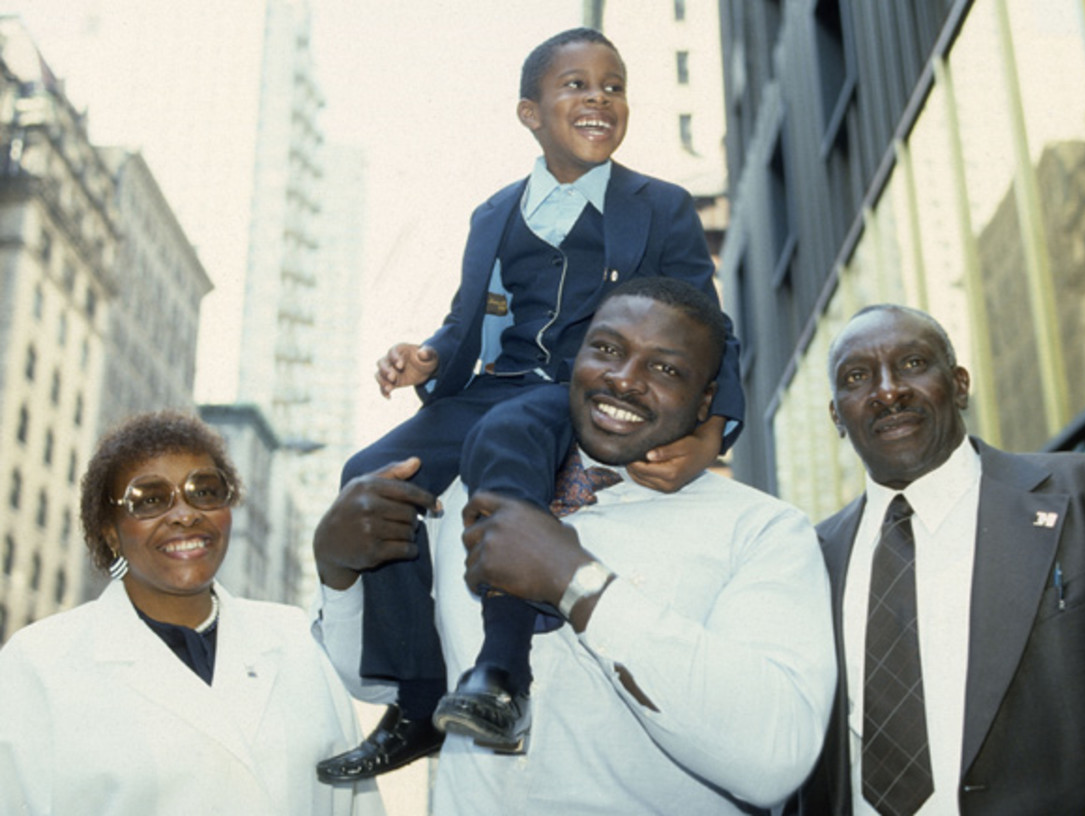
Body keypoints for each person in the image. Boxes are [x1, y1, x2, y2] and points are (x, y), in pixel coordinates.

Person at [317, 27, 745, 782]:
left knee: (508, 437)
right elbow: (464, 323)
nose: (598, 99)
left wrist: (714, 428)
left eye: (612, 86)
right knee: (372, 471)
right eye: (575, 85)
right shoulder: (494, 213)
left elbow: (711, 326)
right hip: (497, 379)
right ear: (530, 114)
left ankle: (503, 673)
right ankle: (416, 699)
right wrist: (426, 356)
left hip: (588, 389)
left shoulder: (662, 206)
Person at [312, 278, 834, 814]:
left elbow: (776, 758)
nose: (624, 380)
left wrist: (576, 582)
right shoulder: (459, 495)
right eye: (606, 350)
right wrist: (340, 573)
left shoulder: (762, 532)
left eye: (665, 368)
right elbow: (378, 684)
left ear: (706, 400)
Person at [798, 304, 1085, 815]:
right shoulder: (808, 560)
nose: (887, 391)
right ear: (837, 414)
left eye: (914, 364)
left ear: (960, 385)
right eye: (857, 378)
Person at [0, 411, 384, 816]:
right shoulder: (37, 664)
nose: (185, 514)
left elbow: (357, 803)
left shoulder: (299, 640)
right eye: (149, 500)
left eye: (204, 491)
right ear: (110, 531)